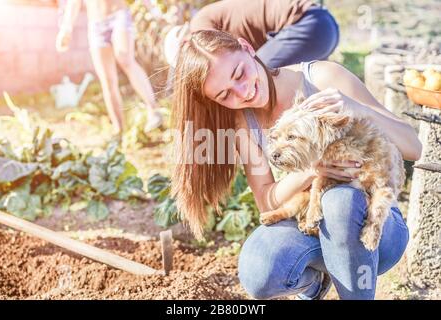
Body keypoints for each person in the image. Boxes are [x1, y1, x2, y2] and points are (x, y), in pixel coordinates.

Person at [170, 30, 422, 299]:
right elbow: (267, 202)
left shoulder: (322, 79)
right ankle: (314, 285)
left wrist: (354, 107)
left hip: (376, 227)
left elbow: (414, 147)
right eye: (225, 95)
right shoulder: (245, 125)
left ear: (246, 47)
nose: (242, 93)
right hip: (312, 224)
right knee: (259, 269)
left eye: (240, 74)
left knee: (340, 201)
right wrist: (312, 170)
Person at [56, 0, 163, 135]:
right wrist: (66, 28)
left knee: (125, 59)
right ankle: (119, 132)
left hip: (118, 15)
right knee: (107, 80)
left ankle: (152, 109)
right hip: (95, 25)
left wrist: (153, 9)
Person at [164, 0, 339, 69]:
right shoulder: (206, 15)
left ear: (184, 43)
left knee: (256, 74)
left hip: (307, 26)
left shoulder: (198, 29)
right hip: (324, 24)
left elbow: (219, 66)